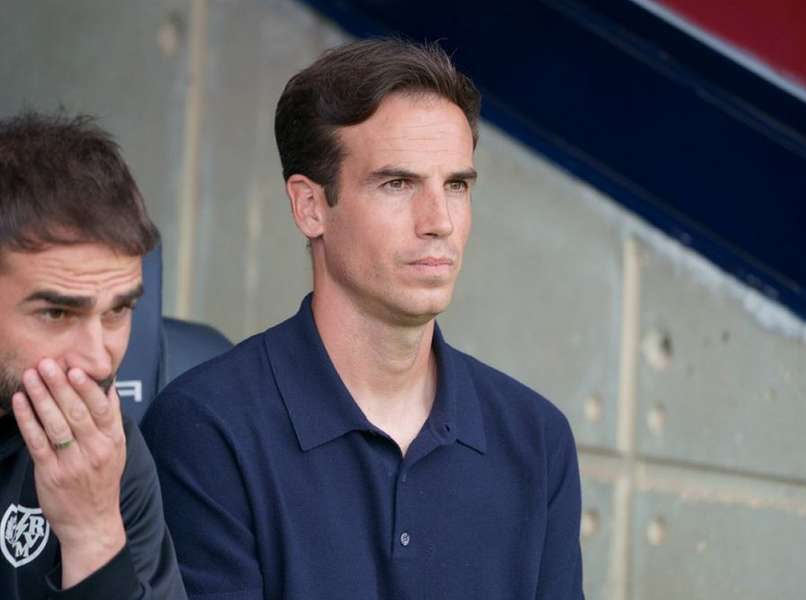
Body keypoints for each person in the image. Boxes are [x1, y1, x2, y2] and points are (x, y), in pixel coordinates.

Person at [142, 39, 583, 599]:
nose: (439, 222)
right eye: (397, 184)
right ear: (310, 207)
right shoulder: (206, 428)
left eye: (456, 185)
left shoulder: (536, 439)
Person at [0, 112, 187, 599]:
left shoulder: (103, 447)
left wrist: (95, 535)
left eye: (118, 312)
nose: (100, 363)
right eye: (58, 314)